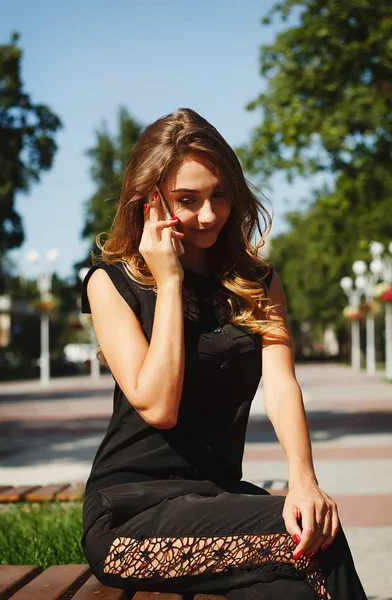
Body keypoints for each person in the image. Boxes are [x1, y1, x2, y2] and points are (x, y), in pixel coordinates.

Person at [81, 108, 367, 600]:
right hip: (131, 519)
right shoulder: (111, 284)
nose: (209, 214)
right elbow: (158, 406)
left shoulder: (258, 283)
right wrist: (169, 283)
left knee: (297, 572)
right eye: (187, 201)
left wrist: (305, 480)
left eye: (220, 195)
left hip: (219, 499)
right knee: (319, 542)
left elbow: (279, 385)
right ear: (151, 202)